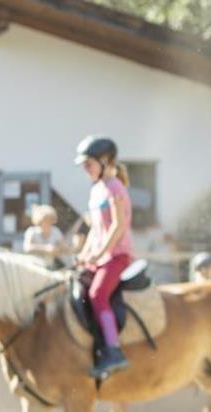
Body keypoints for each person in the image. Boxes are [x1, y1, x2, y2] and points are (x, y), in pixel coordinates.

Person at [75, 135, 133, 379]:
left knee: (98, 294)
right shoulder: (96, 190)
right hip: (99, 257)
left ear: (105, 161)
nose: (86, 169)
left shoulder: (115, 188)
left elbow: (117, 226)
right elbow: (95, 230)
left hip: (117, 256)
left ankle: (114, 351)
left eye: (89, 164)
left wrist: (100, 252)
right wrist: (84, 254)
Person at [21, 205, 68, 269]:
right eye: (47, 219)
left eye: (51, 219)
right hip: (34, 267)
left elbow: (64, 248)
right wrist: (46, 248)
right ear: (40, 219)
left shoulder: (56, 231)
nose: (49, 222)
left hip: (50, 267)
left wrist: (56, 250)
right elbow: (27, 248)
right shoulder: (32, 231)